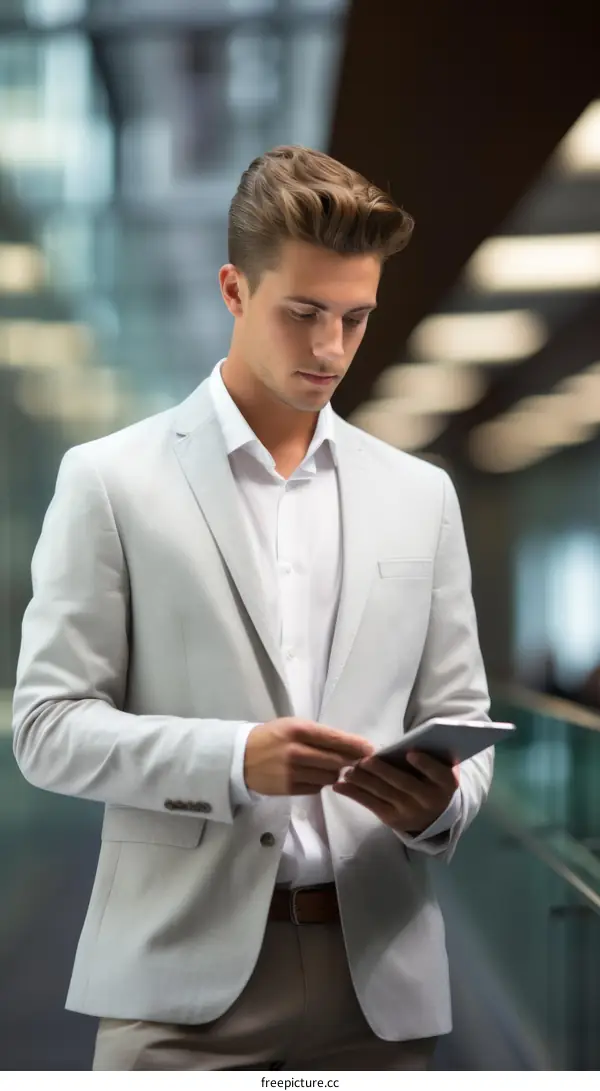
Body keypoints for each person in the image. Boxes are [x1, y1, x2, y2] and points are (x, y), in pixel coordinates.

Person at [12, 145, 494, 1072]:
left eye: (356, 319)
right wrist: (234, 758)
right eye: (303, 312)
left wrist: (437, 805)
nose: (330, 349)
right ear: (234, 291)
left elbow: (461, 725)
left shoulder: (420, 495)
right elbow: (44, 726)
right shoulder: (109, 481)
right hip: (175, 997)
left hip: (381, 989)